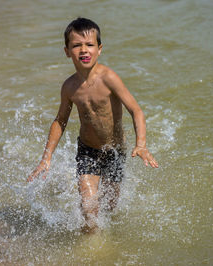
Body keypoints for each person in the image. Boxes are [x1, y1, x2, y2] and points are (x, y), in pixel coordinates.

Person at [27, 17, 158, 233]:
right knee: (89, 208)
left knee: (110, 206)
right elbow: (60, 120)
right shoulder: (69, 87)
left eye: (89, 45)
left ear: (100, 49)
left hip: (115, 151)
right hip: (87, 150)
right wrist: (47, 156)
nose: (83, 50)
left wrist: (141, 144)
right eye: (76, 45)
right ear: (67, 51)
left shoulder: (109, 78)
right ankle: (91, 244)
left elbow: (136, 110)